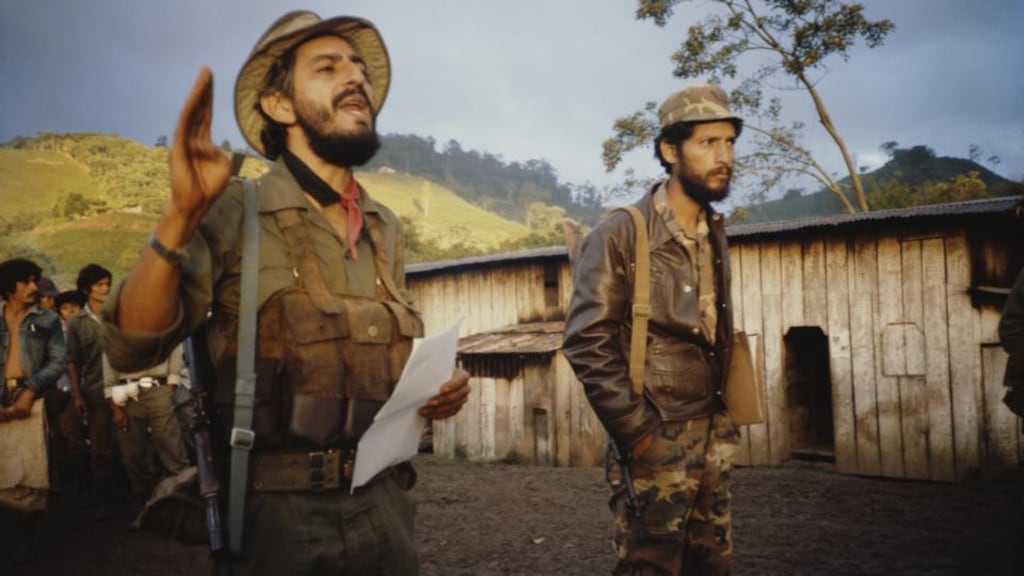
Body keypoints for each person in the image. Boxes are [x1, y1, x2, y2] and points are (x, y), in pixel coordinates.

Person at [100, 10, 470, 574]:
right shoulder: (234, 209)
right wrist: (179, 215)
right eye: (328, 67)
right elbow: (131, 348)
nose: (356, 79)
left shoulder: (385, 226)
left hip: (388, 511)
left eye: (360, 71)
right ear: (279, 105)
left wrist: (438, 390)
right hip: (276, 522)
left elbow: (376, 362)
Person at [563, 84, 744, 575]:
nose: (724, 155)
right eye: (709, 143)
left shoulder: (715, 229)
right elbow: (586, 340)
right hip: (655, 431)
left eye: (729, 142)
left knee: (713, 562)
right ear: (670, 150)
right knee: (652, 566)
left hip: (713, 429)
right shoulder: (623, 231)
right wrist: (636, 432)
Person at [0, 258, 66, 564]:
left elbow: (56, 362)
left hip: (31, 401)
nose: (32, 287)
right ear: (8, 285)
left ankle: (24, 541)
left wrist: (30, 391)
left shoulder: (48, 320)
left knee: (31, 474)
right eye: (25, 281)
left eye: (34, 281)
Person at [103, 344, 190, 509]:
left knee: (173, 449)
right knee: (132, 455)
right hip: (126, 394)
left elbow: (173, 345)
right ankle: (144, 505)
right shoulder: (117, 325)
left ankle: (182, 505)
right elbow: (107, 360)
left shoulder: (159, 319)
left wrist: (170, 386)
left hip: (160, 389)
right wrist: (115, 408)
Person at [66, 263, 117, 520]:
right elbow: (73, 361)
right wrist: (76, 395)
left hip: (124, 389)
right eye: (99, 284)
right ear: (87, 289)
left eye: (108, 284)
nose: (105, 288)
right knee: (101, 449)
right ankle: (103, 499)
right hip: (96, 391)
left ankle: (132, 497)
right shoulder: (76, 322)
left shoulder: (118, 313)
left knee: (130, 445)